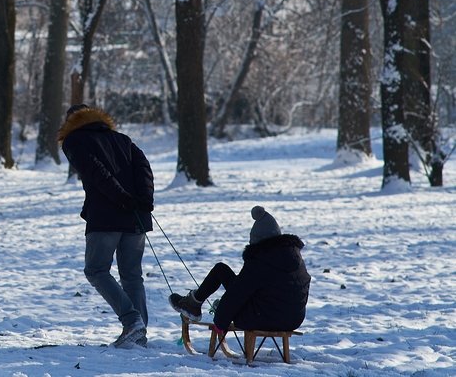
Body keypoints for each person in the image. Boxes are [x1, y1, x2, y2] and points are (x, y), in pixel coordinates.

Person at [58, 103, 155, 348]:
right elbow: (144, 168)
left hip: (105, 217)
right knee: (132, 275)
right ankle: (139, 333)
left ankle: (132, 321)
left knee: (96, 270)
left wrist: (122, 198)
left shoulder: (74, 141)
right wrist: (143, 200)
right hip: (135, 216)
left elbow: (95, 172)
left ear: (71, 122)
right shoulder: (123, 140)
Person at [169, 206, 311, 337]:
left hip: (262, 318)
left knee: (224, 274)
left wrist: (220, 322)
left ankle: (193, 305)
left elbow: (237, 293)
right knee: (223, 271)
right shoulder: (296, 258)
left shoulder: (260, 260)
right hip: (293, 319)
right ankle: (194, 303)